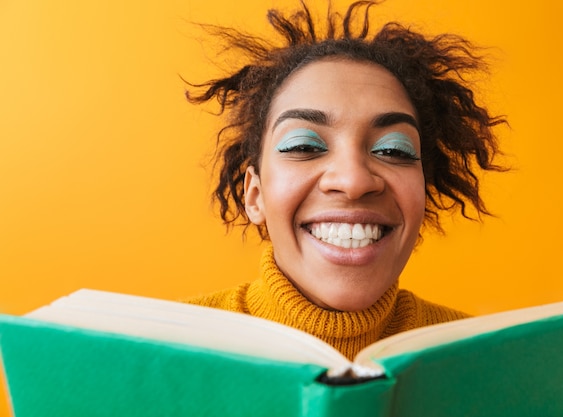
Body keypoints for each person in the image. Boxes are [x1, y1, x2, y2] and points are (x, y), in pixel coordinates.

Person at [184, 0, 505, 361]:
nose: (353, 181)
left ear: (422, 195)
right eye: (304, 144)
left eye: (394, 150)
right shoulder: (169, 354)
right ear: (254, 195)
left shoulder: (487, 364)